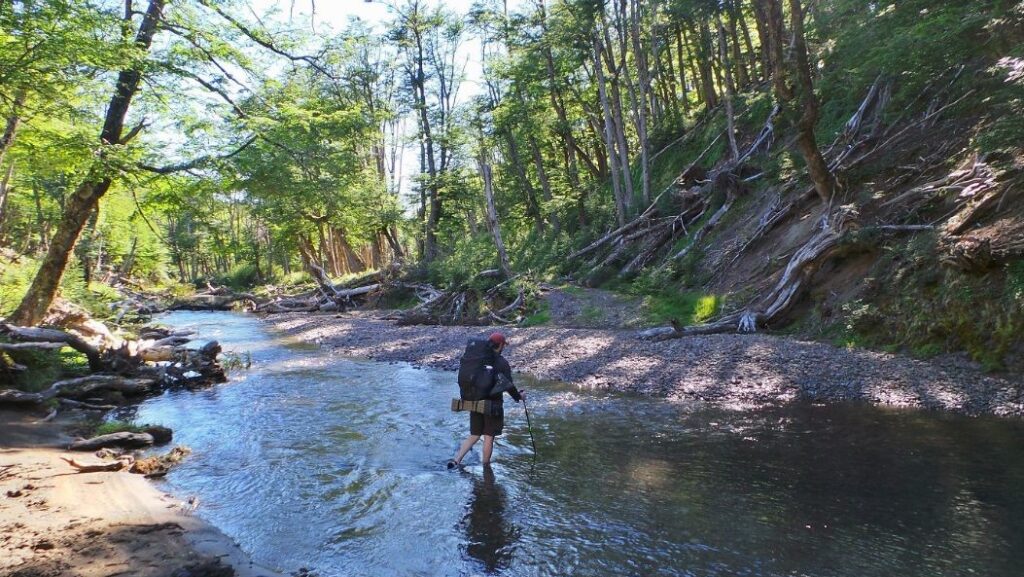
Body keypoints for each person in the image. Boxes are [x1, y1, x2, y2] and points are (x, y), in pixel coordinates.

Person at [448, 332, 524, 468]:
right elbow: (509, 386)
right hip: (492, 405)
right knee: (488, 437)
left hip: (475, 401)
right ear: (500, 345)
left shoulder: (478, 359)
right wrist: (519, 397)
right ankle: (486, 469)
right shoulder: (501, 362)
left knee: (474, 435)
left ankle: (456, 461)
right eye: (503, 345)